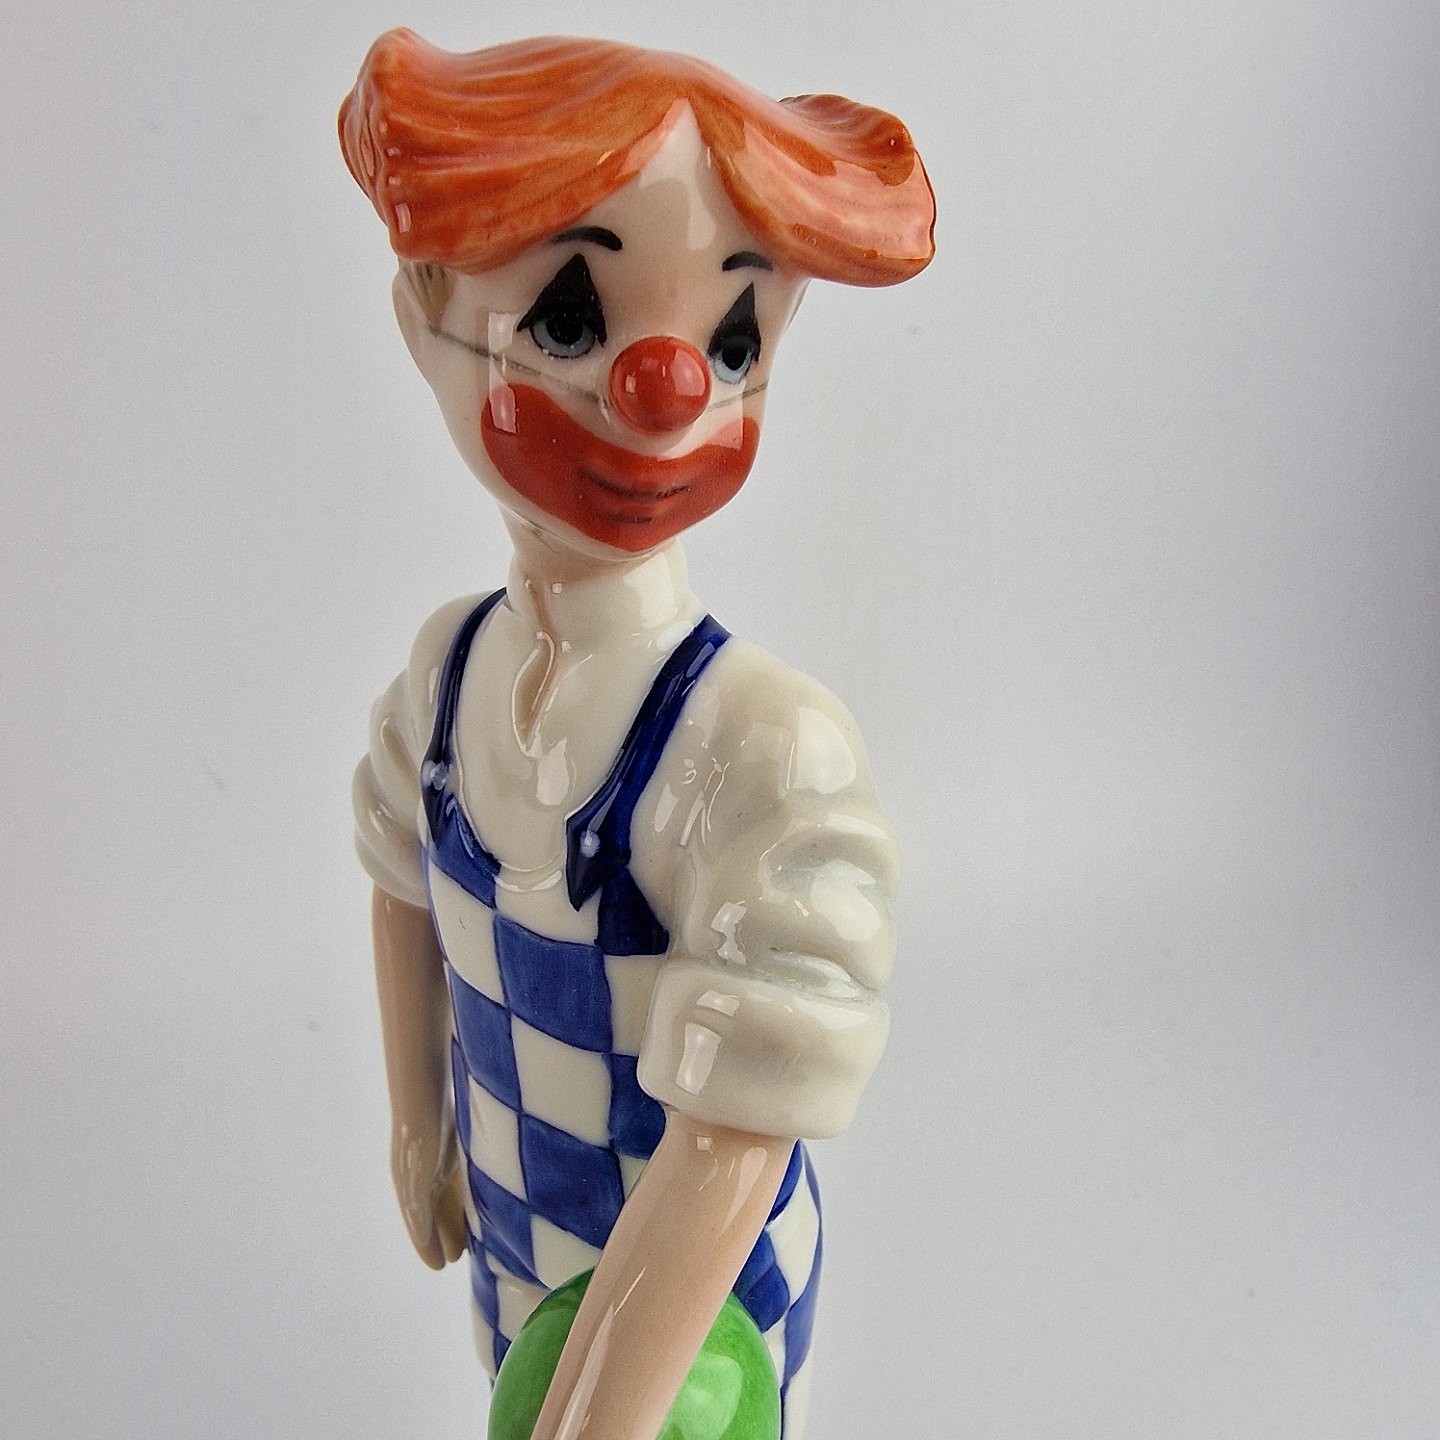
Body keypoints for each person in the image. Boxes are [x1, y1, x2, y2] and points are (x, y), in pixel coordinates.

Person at [341, 30, 935, 1440]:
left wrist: (599, 1411)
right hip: (519, 1247)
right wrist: (419, 1121)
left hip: (700, 1332)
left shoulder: (764, 753)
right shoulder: (446, 677)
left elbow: (737, 1137)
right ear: (426, 311)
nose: (663, 394)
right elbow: (402, 878)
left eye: (733, 342)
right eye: (568, 317)